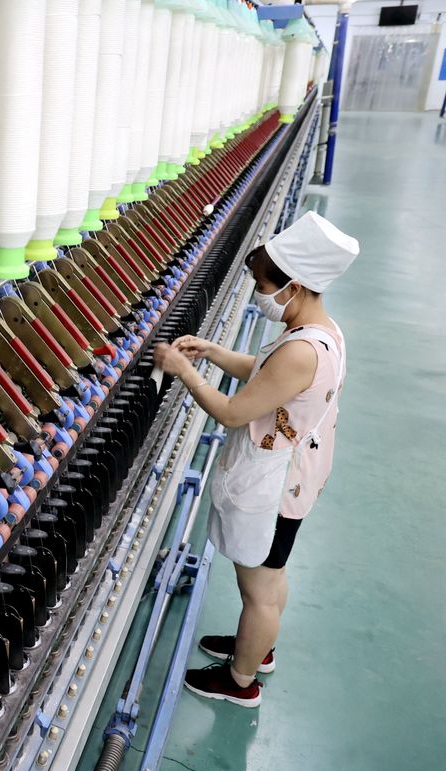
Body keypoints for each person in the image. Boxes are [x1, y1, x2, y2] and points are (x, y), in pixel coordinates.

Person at [152, 212, 359, 708]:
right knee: (272, 576)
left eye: (264, 285)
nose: (258, 293)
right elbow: (265, 373)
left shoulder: (301, 351)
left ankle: (240, 681)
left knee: (260, 590)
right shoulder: (320, 331)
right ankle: (257, 648)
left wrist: (183, 370)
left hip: (274, 485)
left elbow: (232, 411)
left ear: (297, 286)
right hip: (296, 478)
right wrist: (213, 352)